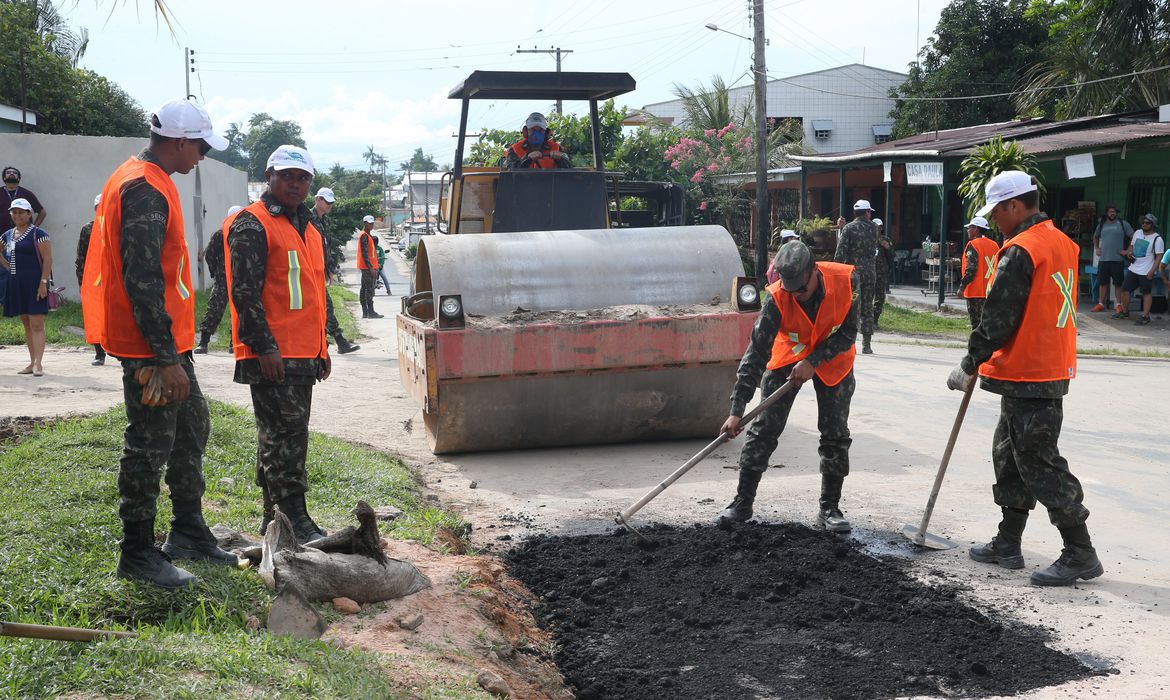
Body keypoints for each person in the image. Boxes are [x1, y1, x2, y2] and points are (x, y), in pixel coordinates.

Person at [90, 99, 239, 589]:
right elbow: (143, 280)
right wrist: (162, 357)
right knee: (149, 444)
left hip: (167, 343)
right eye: (198, 146)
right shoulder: (143, 189)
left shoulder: (154, 181)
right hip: (149, 347)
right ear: (178, 141)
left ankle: (188, 531)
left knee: (192, 426)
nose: (200, 156)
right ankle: (136, 552)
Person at [947, 170, 1102, 587]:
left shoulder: (1021, 250)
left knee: (1038, 461)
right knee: (1010, 455)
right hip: (1040, 367)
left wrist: (969, 362)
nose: (995, 221)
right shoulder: (1063, 243)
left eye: (997, 212)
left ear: (1014, 205)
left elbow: (998, 318)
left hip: (1032, 370)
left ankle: (1080, 552)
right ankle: (1008, 541)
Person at [225, 145, 331, 545]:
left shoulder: (307, 226)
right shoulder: (252, 224)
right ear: (269, 175)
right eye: (287, 175)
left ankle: (275, 521)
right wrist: (265, 347)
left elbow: (313, 293)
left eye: (303, 177)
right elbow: (244, 292)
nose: (296, 183)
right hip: (271, 354)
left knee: (284, 436)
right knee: (285, 438)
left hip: (303, 353)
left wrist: (322, 349)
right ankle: (294, 519)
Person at [715, 241, 859, 533]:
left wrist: (814, 360)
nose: (796, 295)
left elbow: (848, 332)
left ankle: (829, 508)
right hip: (788, 356)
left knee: (835, 433)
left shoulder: (846, 281)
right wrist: (736, 409)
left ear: (814, 271)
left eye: (801, 288)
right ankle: (742, 502)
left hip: (833, 359)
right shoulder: (778, 298)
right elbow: (755, 354)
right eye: (790, 288)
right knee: (763, 428)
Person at [1, 198, 52, 376]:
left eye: (21, 212)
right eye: (14, 212)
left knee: (37, 323)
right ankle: (31, 362)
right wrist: (7, 266)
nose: (17, 215)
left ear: (29, 214)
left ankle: (39, 363)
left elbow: (47, 260)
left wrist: (43, 283)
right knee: (26, 324)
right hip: (16, 284)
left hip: (35, 283)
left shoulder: (39, 233)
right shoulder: (7, 235)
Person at [306, 187, 359, 353]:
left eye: (331, 203)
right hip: (309, 270)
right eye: (327, 202)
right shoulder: (307, 219)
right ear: (318, 200)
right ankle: (339, 341)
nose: (329, 205)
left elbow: (326, 247)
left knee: (319, 307)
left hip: (320, 269)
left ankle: (323, 342)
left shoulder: (325, 221)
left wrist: (329, 269)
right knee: (324, 306)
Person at [192, 205, 242, 354]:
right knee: (213, 310)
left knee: (239, 312)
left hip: (240, 281)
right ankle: (204, 342)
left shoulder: (245, 234)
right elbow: (210, 255)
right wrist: (216, 273)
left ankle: (234, 344)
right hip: (222, 280)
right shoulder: (220, 235)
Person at [834, 200, 878, 354]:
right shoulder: (874, 228)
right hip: (870, 273)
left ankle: (848, 342)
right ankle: (866, 345)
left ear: (855, 213)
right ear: (867, 212)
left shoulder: (849, 229)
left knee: (850, 307)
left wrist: (836, 271)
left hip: (853, 274)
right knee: (867, 307)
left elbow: (840, 254)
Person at [75, 194, 107, 365]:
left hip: (114, 279)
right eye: (99, 207)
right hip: (93, 279)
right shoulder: (88, 229)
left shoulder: (118, 226)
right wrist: (82, 281)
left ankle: (119, 349)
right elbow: (81, 257)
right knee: (94, 315)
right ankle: (99, 353)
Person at [1117, 214, 1163, 326]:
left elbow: (1159, 257)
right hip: (1134, 268)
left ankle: (1145, 316)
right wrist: (1129, 253)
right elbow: (1131, 246)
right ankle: (1125, 311)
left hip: (1146, 270)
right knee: (1124, 290)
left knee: (1146, 293)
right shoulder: (1137, 233)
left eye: (1147, 223)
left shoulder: (1157, 239)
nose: (1144, 224)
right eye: (1143, 222)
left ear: (1152, 225)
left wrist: (1152, 271)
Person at [957, 215, 1001, 329]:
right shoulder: (994, 245)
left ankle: (978, 347)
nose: (967, 230)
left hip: (975, 293)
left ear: (976, 229)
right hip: (990, 291)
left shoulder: (973, 245)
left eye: (970, 227)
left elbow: (971, 270)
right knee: (988, 325)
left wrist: (962, 287)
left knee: (977, 326)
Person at [1091, 204, 1133, 313]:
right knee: (1102, 282)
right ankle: (1101, 304)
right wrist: (1097, 248)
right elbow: (1095, 237)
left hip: (1118, 259)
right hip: (1104, 259)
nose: (1112, 213)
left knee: (1118, 283)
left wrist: (1128, 250)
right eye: (1110, 211)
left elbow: (1133, 236)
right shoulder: (1101, 224)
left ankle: (1118, 304)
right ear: (1107, 213)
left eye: (1114, 211)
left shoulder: (1123, 223)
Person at [503, 112, 571, 170]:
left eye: (540, 130)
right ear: (526, 131)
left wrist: (561, 160)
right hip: (522, 185)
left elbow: (570, 172)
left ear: (547, 133)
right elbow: (510, 172)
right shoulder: (515, 149)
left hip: (550, 184)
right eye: (533, 130)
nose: (536, 134)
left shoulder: (556, 148)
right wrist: (527, 159)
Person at [0, 166, 47, 233]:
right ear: (4, 178)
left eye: (14, 173)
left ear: (18, 178)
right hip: (2, 234)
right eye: (8, 172)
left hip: (24, 234)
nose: (12, 174)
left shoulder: (27, 193)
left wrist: (33, 229)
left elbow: (42, 212)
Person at [356, 215, 382, 318]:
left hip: (368, 267)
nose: (371, 225)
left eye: (372, 223)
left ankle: (366, 312)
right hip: (367, 268)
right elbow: (365, 254)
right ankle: (370, 312)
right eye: (369, 223)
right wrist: (371, 268)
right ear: (365, 223)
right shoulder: (364, 236)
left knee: (365, 289)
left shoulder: (368, 235)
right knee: (369, 290)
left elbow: (371, 254)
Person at [872, 218, 894, 329]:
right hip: (868, 272)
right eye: (875, 226)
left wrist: (888, 248)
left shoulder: (885, 239)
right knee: (866, 297)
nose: (877, 229)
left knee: (879, 297)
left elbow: (892, 256)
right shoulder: (866, 238)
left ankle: (875, 320)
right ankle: (864, 320)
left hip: (881, 273)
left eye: (879, 227)